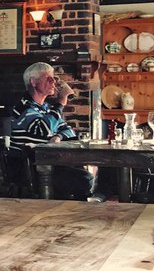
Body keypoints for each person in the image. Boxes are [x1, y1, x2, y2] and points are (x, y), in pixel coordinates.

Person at [10, 62, 94, 199]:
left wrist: (58, 137)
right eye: (48, 78)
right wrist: (60, 103)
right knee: (85, 178)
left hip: (46, 163)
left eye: (54, 78)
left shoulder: (46, 108)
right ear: (33, 82)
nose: (53, 81)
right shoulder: (23, 107)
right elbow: (43, 129)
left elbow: (68, 131)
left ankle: (69, 209)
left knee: (84, 172)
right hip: (30, 169)